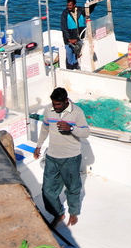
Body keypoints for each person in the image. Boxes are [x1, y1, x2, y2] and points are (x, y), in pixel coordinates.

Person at [33, 87, 90, 227]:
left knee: (72, 188)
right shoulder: (48, 110)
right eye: (53, 104)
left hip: (71, 158)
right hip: (52, 156)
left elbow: (86, 132)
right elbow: (45, 128)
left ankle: (73, 213)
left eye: (58, 104)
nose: (55, 107)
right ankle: (58, 213)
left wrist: (70, 128)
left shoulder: (77, 112)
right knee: (47, 190)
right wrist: (39, 145)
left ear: (66, 101)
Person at [60, 0, 100, 70]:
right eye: (67, 5)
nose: (68, 7)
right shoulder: (64, 13)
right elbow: (64, 28)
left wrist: (94, 2)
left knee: (77, 54)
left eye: (70, 5)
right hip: (69, 38)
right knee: (69, 55)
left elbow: (89, 10)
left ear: (74, 5)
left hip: (79, 37)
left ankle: (76, 68)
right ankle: (69, 69)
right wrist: (69, 39)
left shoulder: (80, 10)